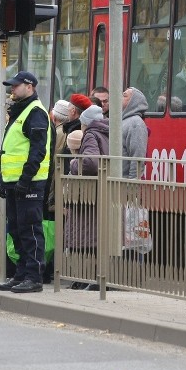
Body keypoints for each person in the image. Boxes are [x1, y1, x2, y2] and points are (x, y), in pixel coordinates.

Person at [0, 71, 51, 294]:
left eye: (16, 86)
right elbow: (12, 150)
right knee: (17, 231)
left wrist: (25, 179)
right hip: (14, 182)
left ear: (30, 87)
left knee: (29, 230)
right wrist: (4, 179)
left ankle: (34, 276)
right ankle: (21, 274)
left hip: (29, 183)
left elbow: (37, 150)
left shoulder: (35, 112)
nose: (12, 90)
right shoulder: (20, 111)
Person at [67, 104, 108, 290]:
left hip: (91, 193)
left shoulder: (91, 134)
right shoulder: (109, 131)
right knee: (101, 236)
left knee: (88, 237)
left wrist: (74, 163)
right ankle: (97, 278)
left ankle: (91, 278)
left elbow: (91, 163)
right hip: (106, 190)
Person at [121, 86, 149, 179]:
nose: (120, 97)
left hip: (124, 184)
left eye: (124, 96)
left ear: (133, 102)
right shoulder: (123, 122)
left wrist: (132, 185)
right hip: (116, 182)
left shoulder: (136, 124)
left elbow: (137, 157)